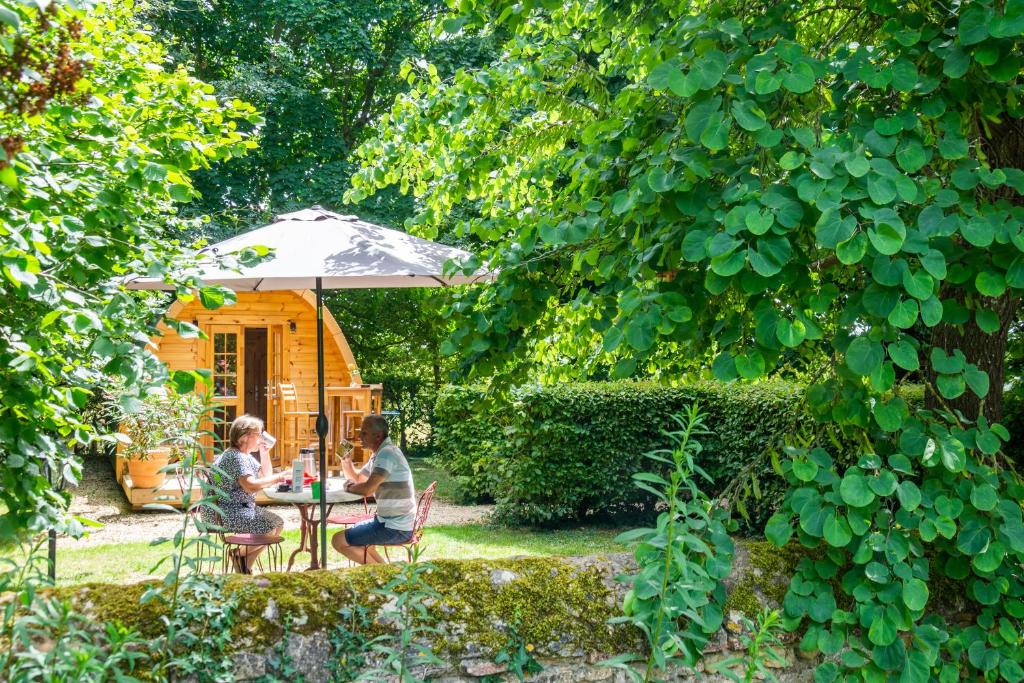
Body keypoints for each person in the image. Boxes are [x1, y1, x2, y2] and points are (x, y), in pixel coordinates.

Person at [205, 414, 288, 573]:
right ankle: (238, 555)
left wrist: (264, 453)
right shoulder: (236, 457)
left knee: (277, 524)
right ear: (244, 437)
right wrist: (279, 478)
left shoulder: (244, 456)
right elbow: (250, 486)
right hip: (224, 512)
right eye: (259, 433)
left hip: (236, 509)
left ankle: (243, 566)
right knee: (269, 527)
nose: (262, 437)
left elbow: (265, 476)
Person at [331, 414, 416, 564]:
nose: (359, 436)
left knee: (338, 540)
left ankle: (381, 577)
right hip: (390, 522)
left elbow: (366, 490)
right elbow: (359, 479)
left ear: (378, 436)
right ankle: (387, 575)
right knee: (365, 545)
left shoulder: (387, 454)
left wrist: (349, 488)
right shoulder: (380, 454)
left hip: (395, 527)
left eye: (364, 433)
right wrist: (346, 462)